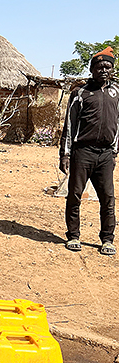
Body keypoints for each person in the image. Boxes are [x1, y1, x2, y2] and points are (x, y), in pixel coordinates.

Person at [59, 46, 119, 255]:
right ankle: (73, 236)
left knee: (108, 198)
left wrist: (114, 151)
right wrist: (65, 154)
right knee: (75, 195)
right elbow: (69, 125)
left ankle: (107, 239)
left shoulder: (116, 92)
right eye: (100, 67)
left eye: (108, 67)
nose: (104, 70)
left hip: (105, 155)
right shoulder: (80, 93)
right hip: (82, 152)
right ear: (92, 69)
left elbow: (118, 123)